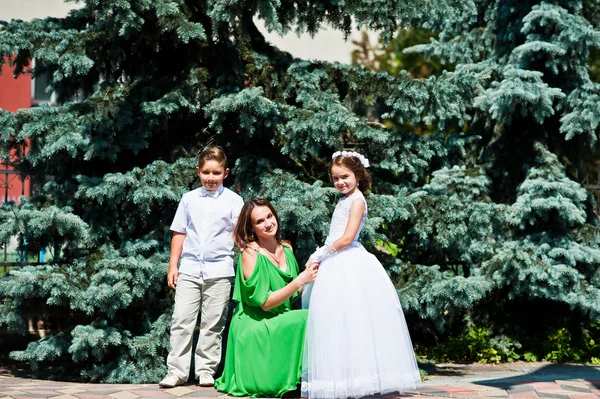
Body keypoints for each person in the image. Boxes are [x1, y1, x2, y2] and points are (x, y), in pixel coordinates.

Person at [301, 150, 422, 399]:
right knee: (335, 319)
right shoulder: (344, 199)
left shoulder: (357, 201)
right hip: (336, 258)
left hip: (347, 261)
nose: (340, 182)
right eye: (335, 178)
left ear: (357, 174)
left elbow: (346, 237)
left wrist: (320, 254)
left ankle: (358, 378)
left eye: (344, 176)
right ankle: (342, 376)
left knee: (353, 318)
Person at [215, 198, 318, 397]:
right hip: (254, 324)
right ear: (252, 228)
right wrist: (298, 281)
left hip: (279, 317)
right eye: (260, 221)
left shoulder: (286, 249)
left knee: (313, 314)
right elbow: (265, 303)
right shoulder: (250, 254)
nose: (268, 223)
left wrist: (308, 277)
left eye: (269, 216)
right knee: (306, 318)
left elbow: (292, 296)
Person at [159, 147, 244, 388]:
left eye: (216, 173)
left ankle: (206, 370)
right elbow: (179, 232)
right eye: (206, 172)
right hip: (189, 269)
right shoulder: (189, 199)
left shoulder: (234, 201)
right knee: (181, 320)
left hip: (220, 271)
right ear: (198, 171)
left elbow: (240, 235)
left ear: (225, 173)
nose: (211, 177)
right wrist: (173, 265)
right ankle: (176, 371)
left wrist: (252, 250)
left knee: (213, 323)